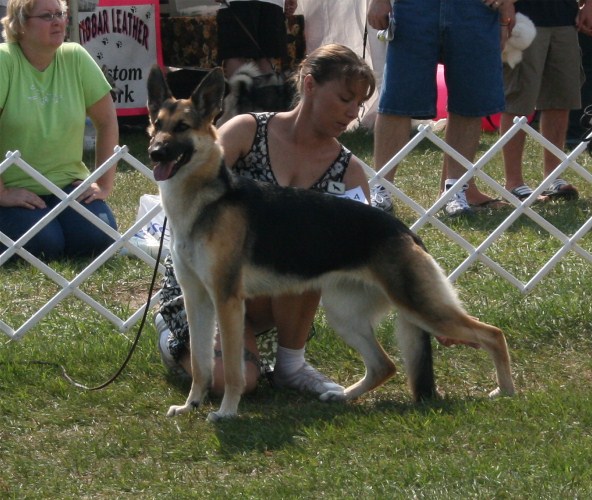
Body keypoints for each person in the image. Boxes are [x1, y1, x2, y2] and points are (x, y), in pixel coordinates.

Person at [156, 44, 375, 397]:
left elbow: (370, 251)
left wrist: (421, 306)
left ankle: (292, 366)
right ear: (309, 85)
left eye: (359, 104)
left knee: (307, 250)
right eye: (345, 98)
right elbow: (187, 185)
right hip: (206, 282)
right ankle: (173, 336)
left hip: (269, 295)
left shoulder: (349, 172)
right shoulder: (246, 130)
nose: (352, 113)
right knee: (231, 382)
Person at [367, 0, 513, 215]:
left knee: (469, 101)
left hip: (476, 9)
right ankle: (381, 188)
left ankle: (455, 191)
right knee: (396, 99)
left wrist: (507, 4)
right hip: (414, 7)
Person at [0, 0, 119, 261]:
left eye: (60, 14)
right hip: (13, 187)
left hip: (68, 185)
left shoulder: (75, 56)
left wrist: (102, 183)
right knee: (45, 245)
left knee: (98, 238)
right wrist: (3, 193)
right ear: (19, 25)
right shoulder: (3, 60)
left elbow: (107, 121)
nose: (57, 21)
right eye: (46, 16)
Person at [500, 0, 592, 202]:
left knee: (560, 101)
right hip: (523, 18)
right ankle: (513, 183)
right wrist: (506, 7)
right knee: (517, 102)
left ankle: (553, 177)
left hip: (566, 20)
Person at [215, 0, 298, 78]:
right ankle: (264, 91)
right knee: (266, 57)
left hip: (238, 3)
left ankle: (240, 92)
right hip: (270, 4)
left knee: (236, 55)